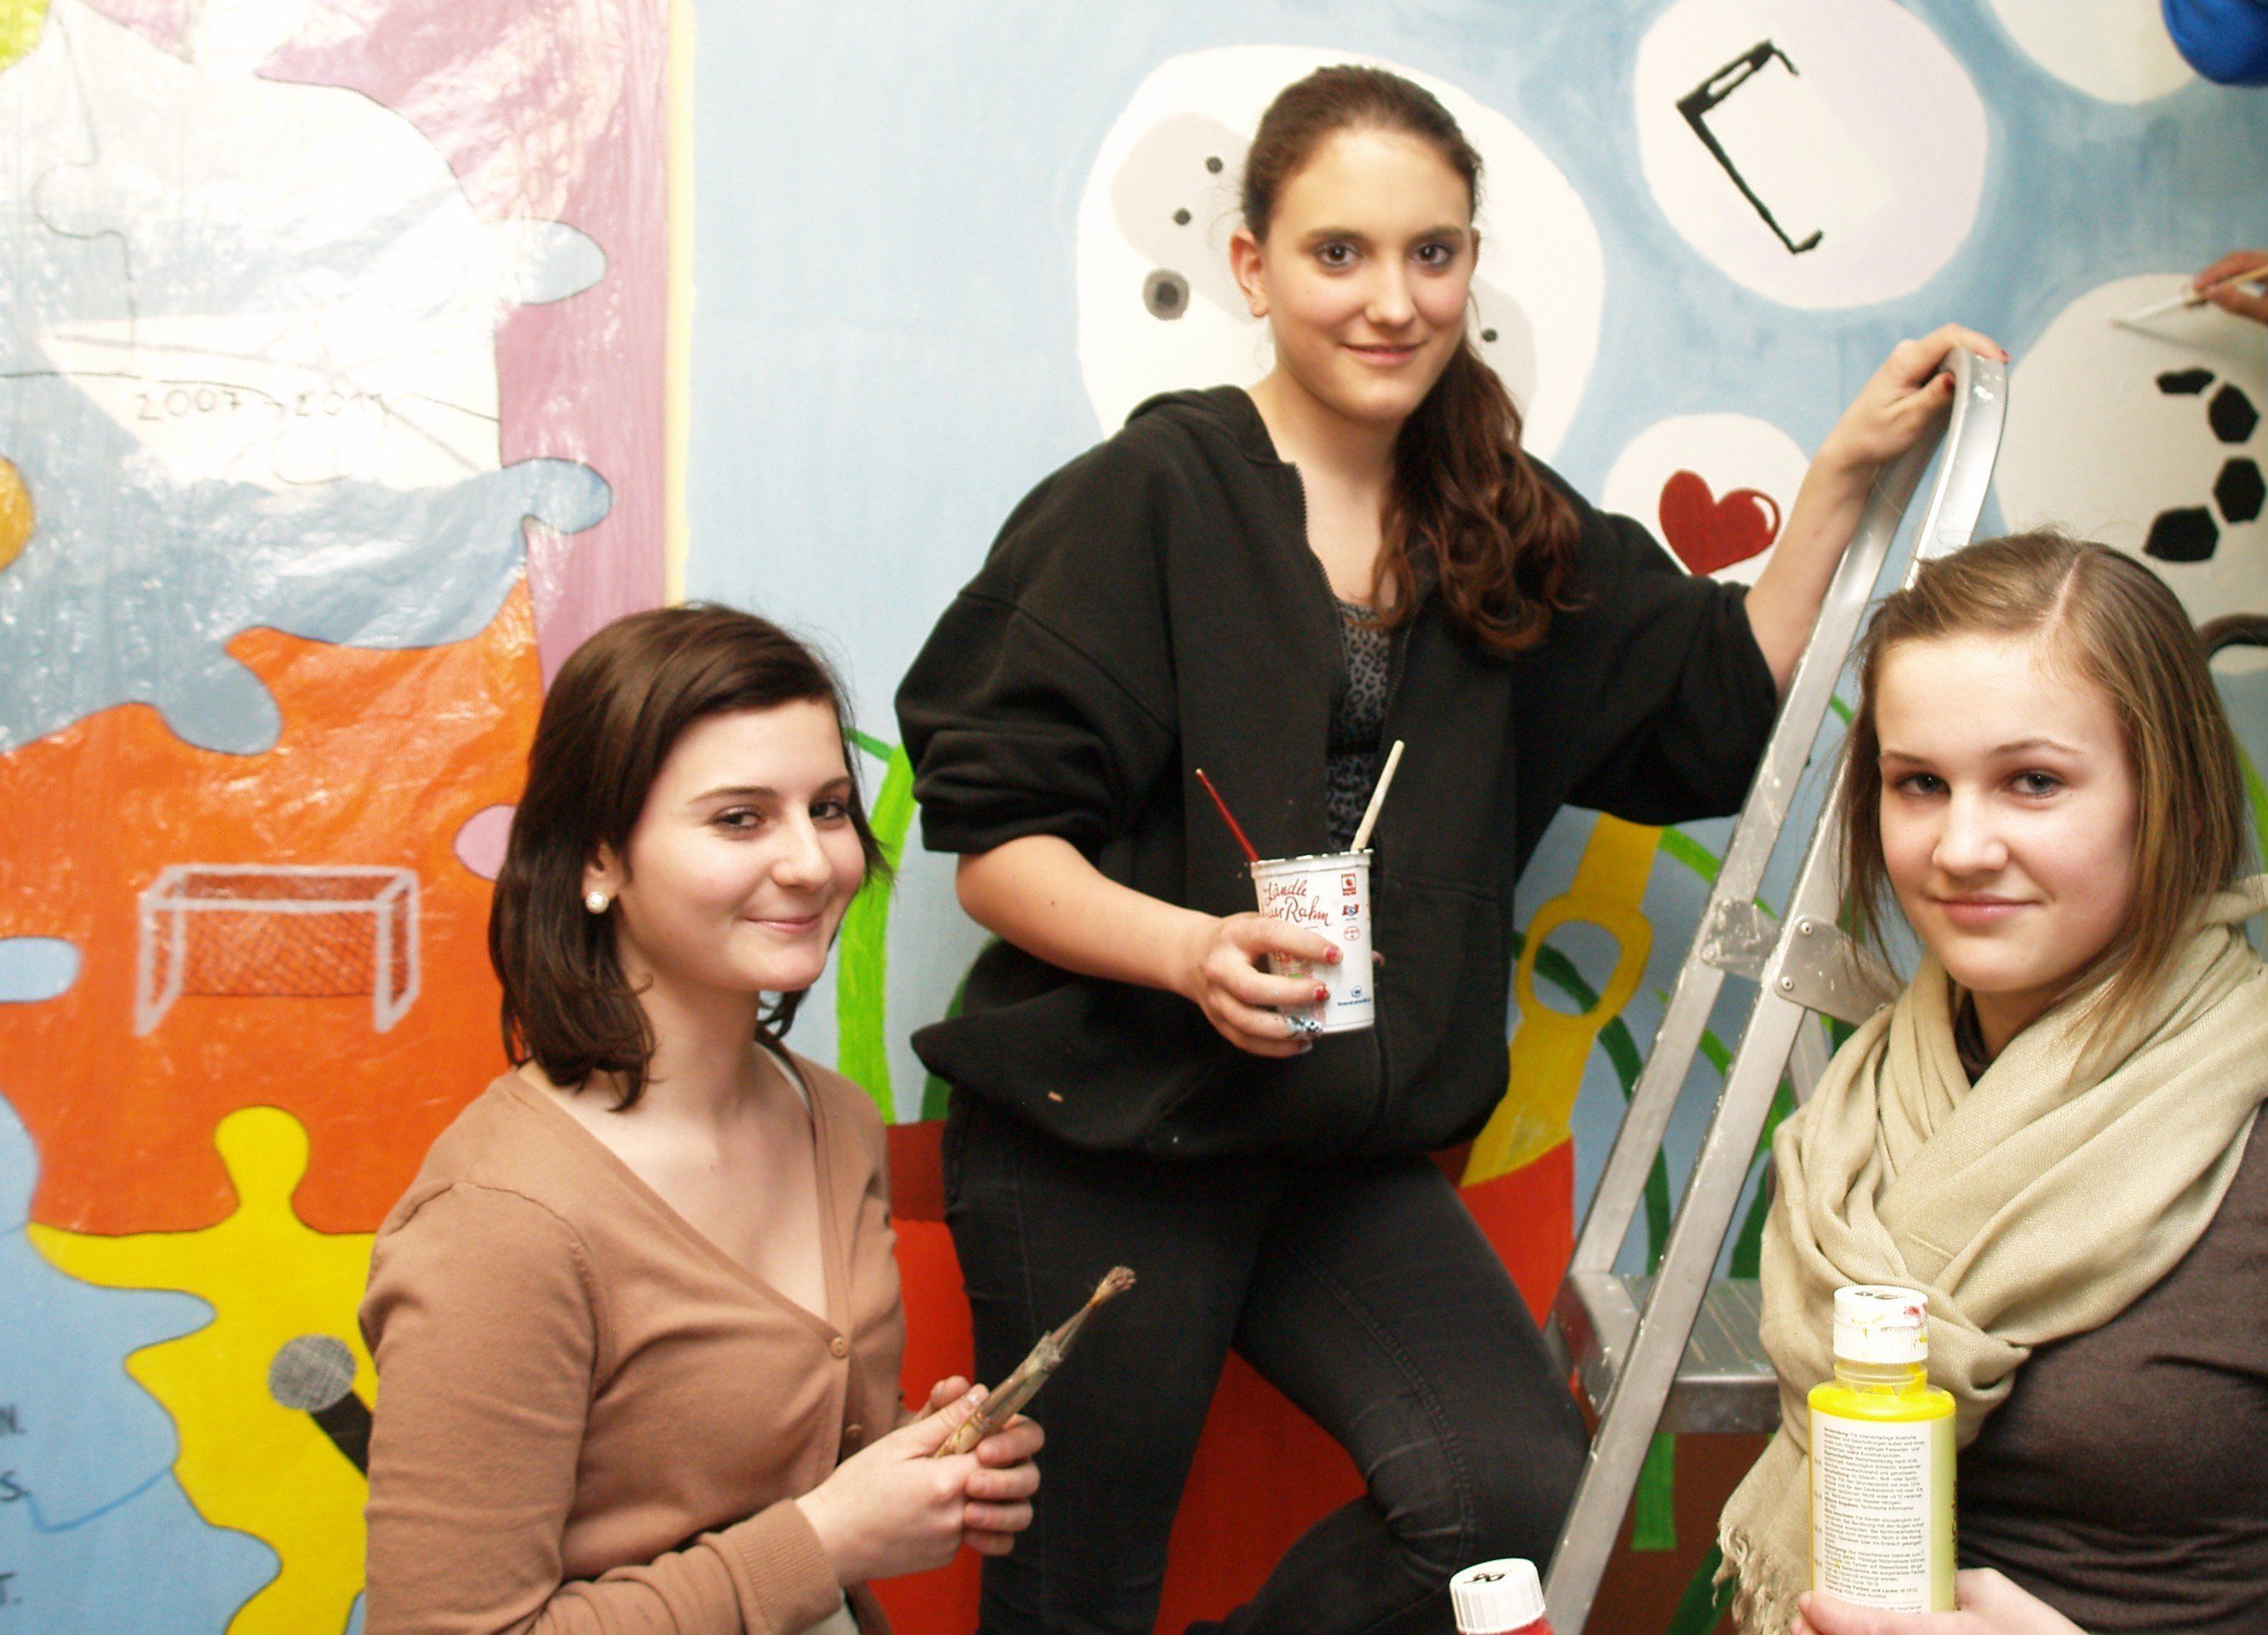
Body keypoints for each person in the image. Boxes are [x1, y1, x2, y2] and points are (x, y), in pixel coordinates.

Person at [895, 62, 2000, 1635]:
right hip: (1106, 1134)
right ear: (1251, 266)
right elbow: (995, 846)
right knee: (1076, 1591)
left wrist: (1833, 481)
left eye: (1431, 252)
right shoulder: (1144, 498)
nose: (1391, 299)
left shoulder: (1494, 513)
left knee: (1512, 1507)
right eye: (1337, 252)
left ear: (1471, 263)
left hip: (1333, 1152)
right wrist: (1188, 951)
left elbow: (1705, 702)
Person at [361, 606, 1041, 1635]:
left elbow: (745, 1479)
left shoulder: (834, 1119)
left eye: (826, 808)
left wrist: (921, 1460)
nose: (811, 862)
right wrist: (827, 1538)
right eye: (738, 819)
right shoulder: (502, 1222)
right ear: (598, 859)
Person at [1718, 534, 2268, 1635]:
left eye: (2033, 781)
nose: (1960, 847)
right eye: (1919, 783)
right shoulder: (1859, 1115)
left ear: (2174, 799)